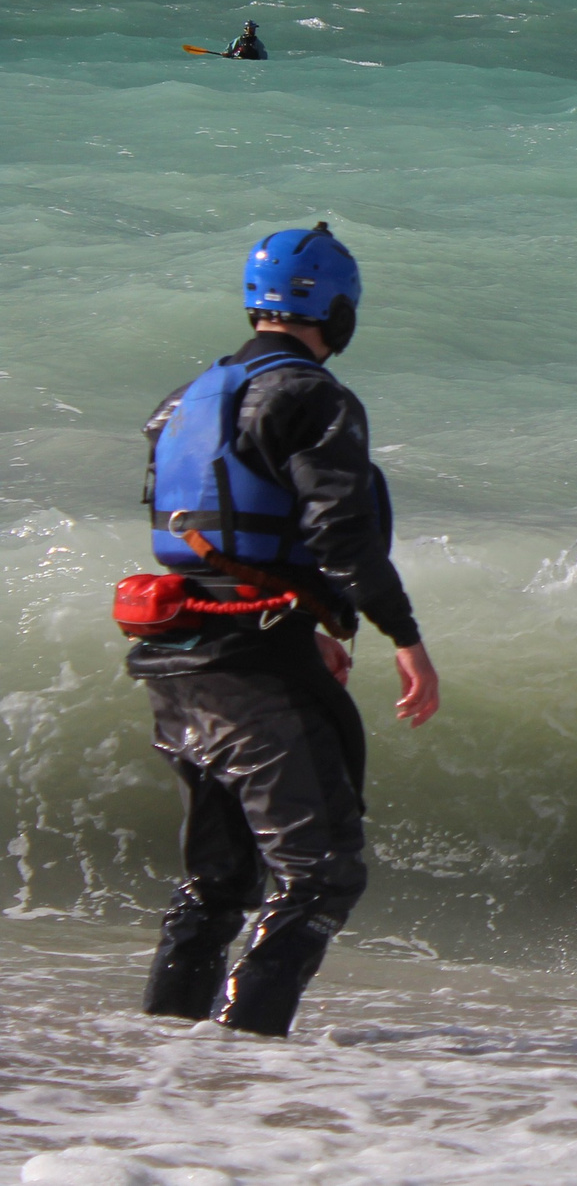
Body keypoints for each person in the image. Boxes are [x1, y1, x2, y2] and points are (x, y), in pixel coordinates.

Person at [127, 222, 438, 1037]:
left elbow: (210, 534)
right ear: (338, 310)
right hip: (252, 665)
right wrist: (404, 635)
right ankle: (242, 1050)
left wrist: (303, 622)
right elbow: (342, 531)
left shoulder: (182, 399)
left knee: (219, 879)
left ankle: (163, 1052)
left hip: (179, 655)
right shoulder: (314, 396)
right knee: (321, 873)